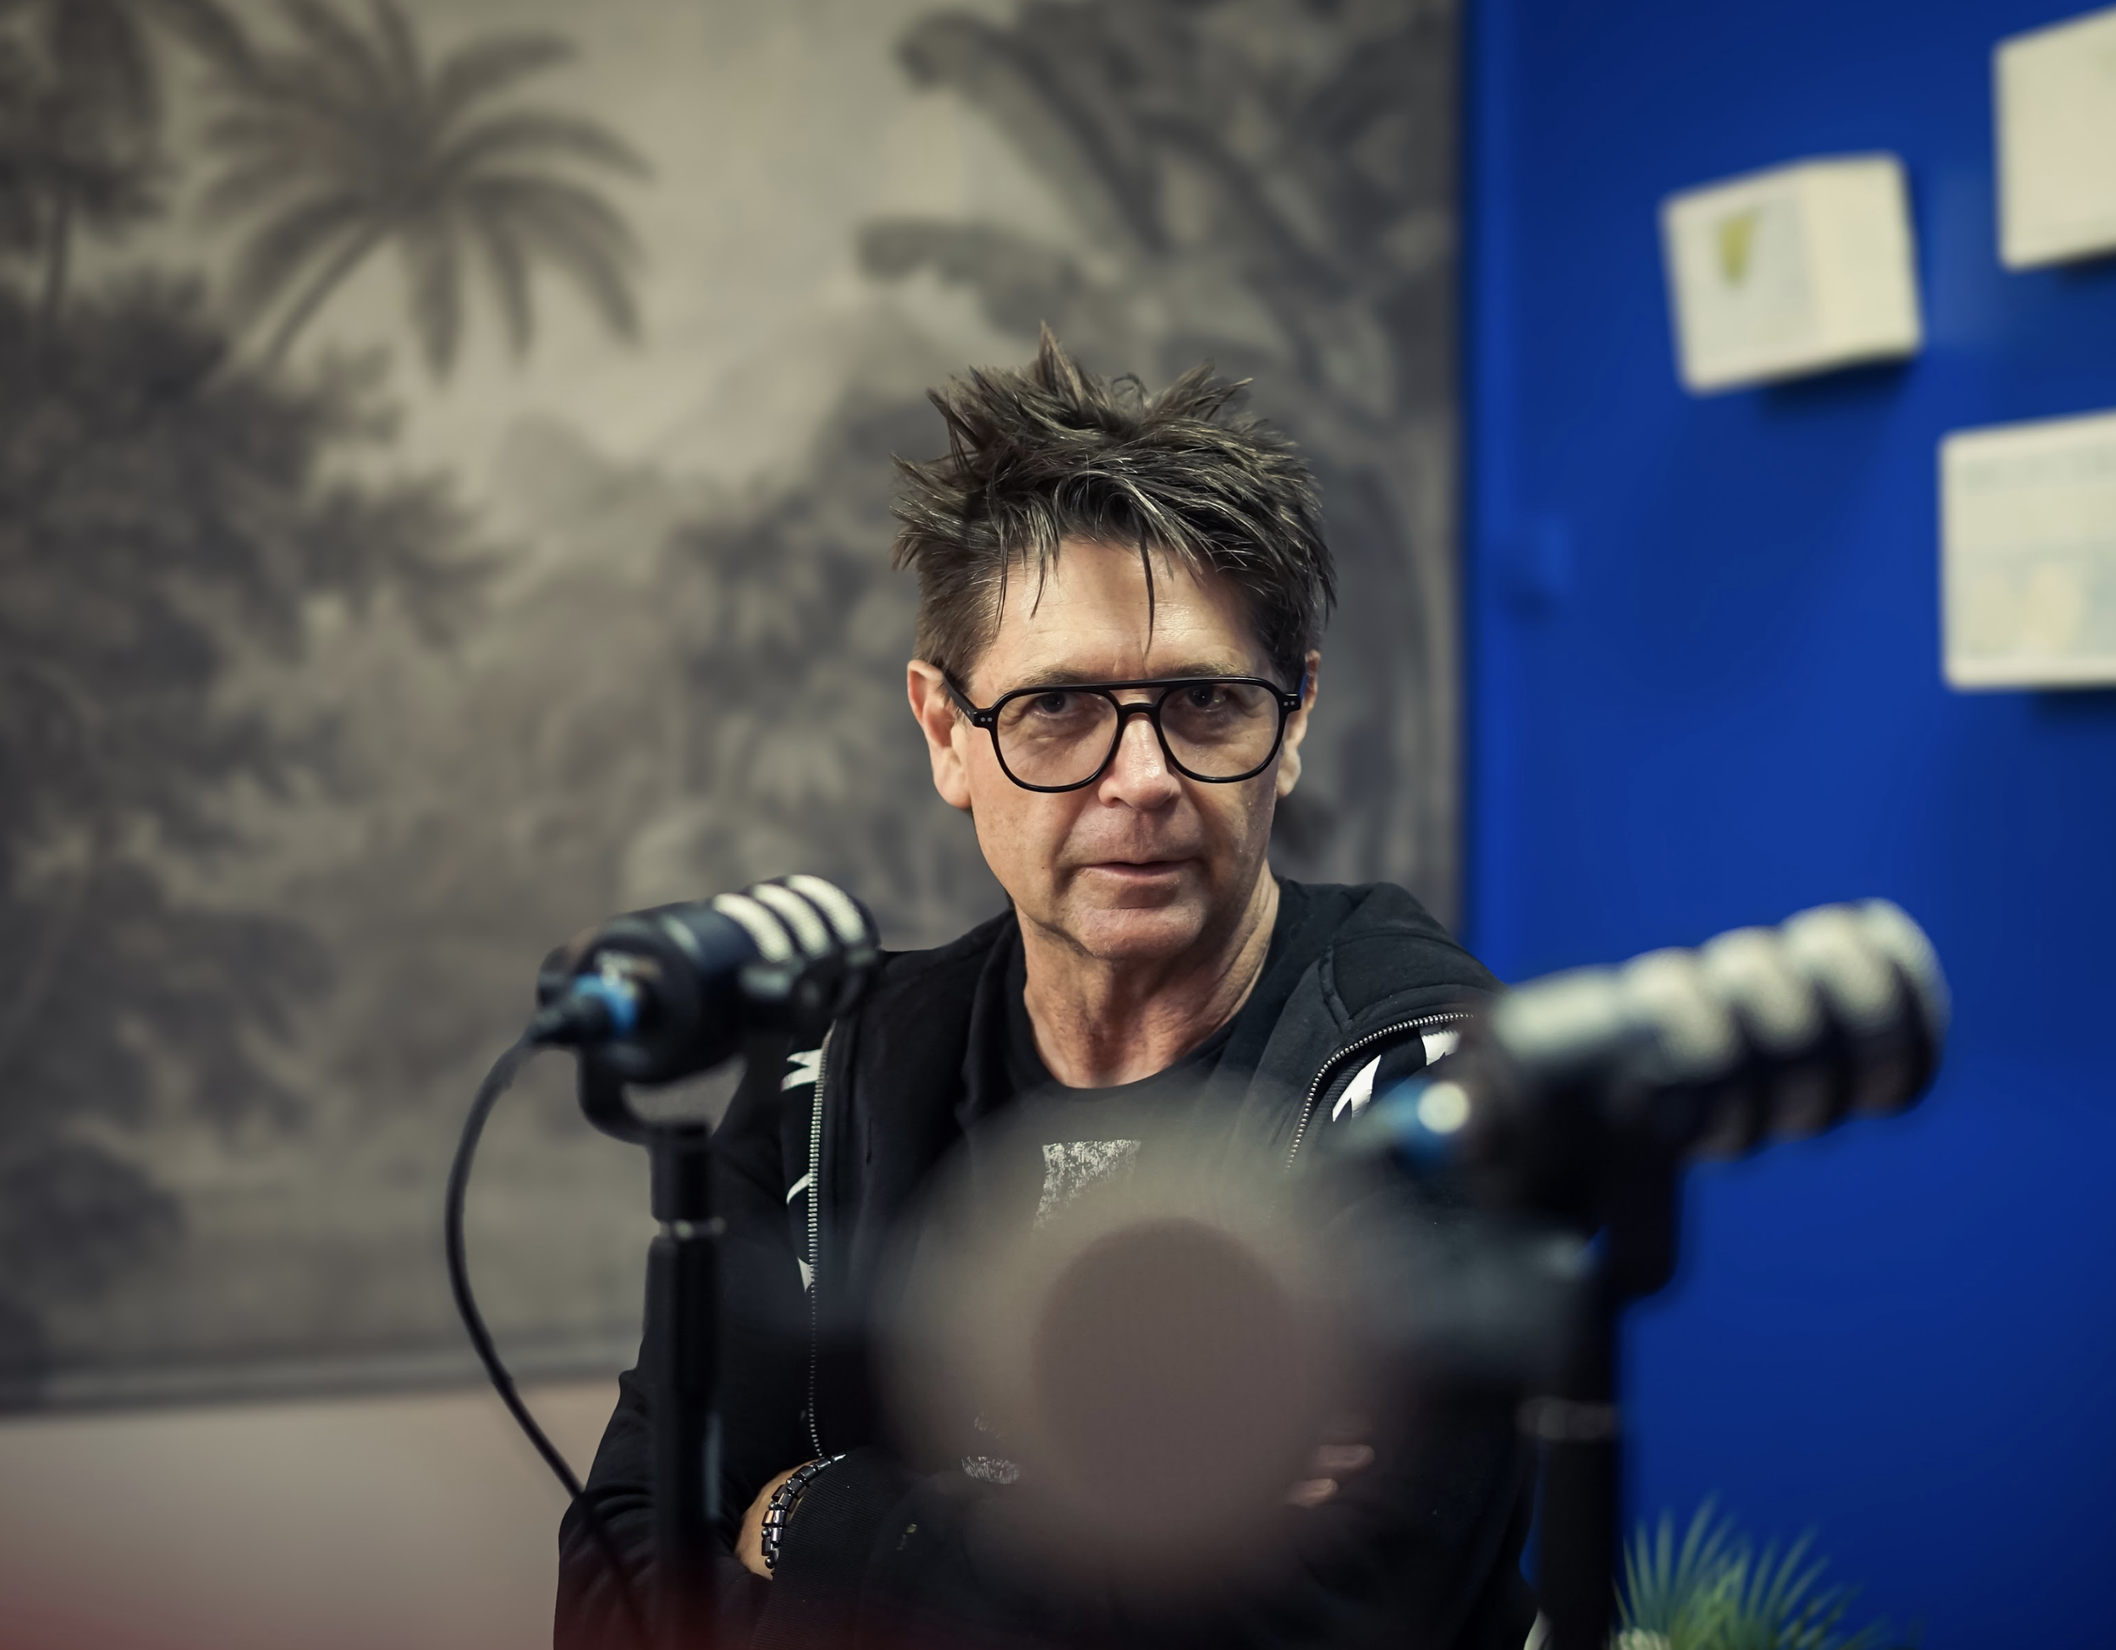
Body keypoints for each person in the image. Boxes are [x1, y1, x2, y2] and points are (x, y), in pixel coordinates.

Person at [555, 333, 1535, 1649]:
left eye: (1201, 699)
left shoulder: (1418, 1080)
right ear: (947, 733)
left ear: (1292, 720)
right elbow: (619, 1590)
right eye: (1060, 708)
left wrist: (823, 1518)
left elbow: (1334, 1620)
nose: (1140, 776)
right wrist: (1158, 1539)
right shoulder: (822, 1080)